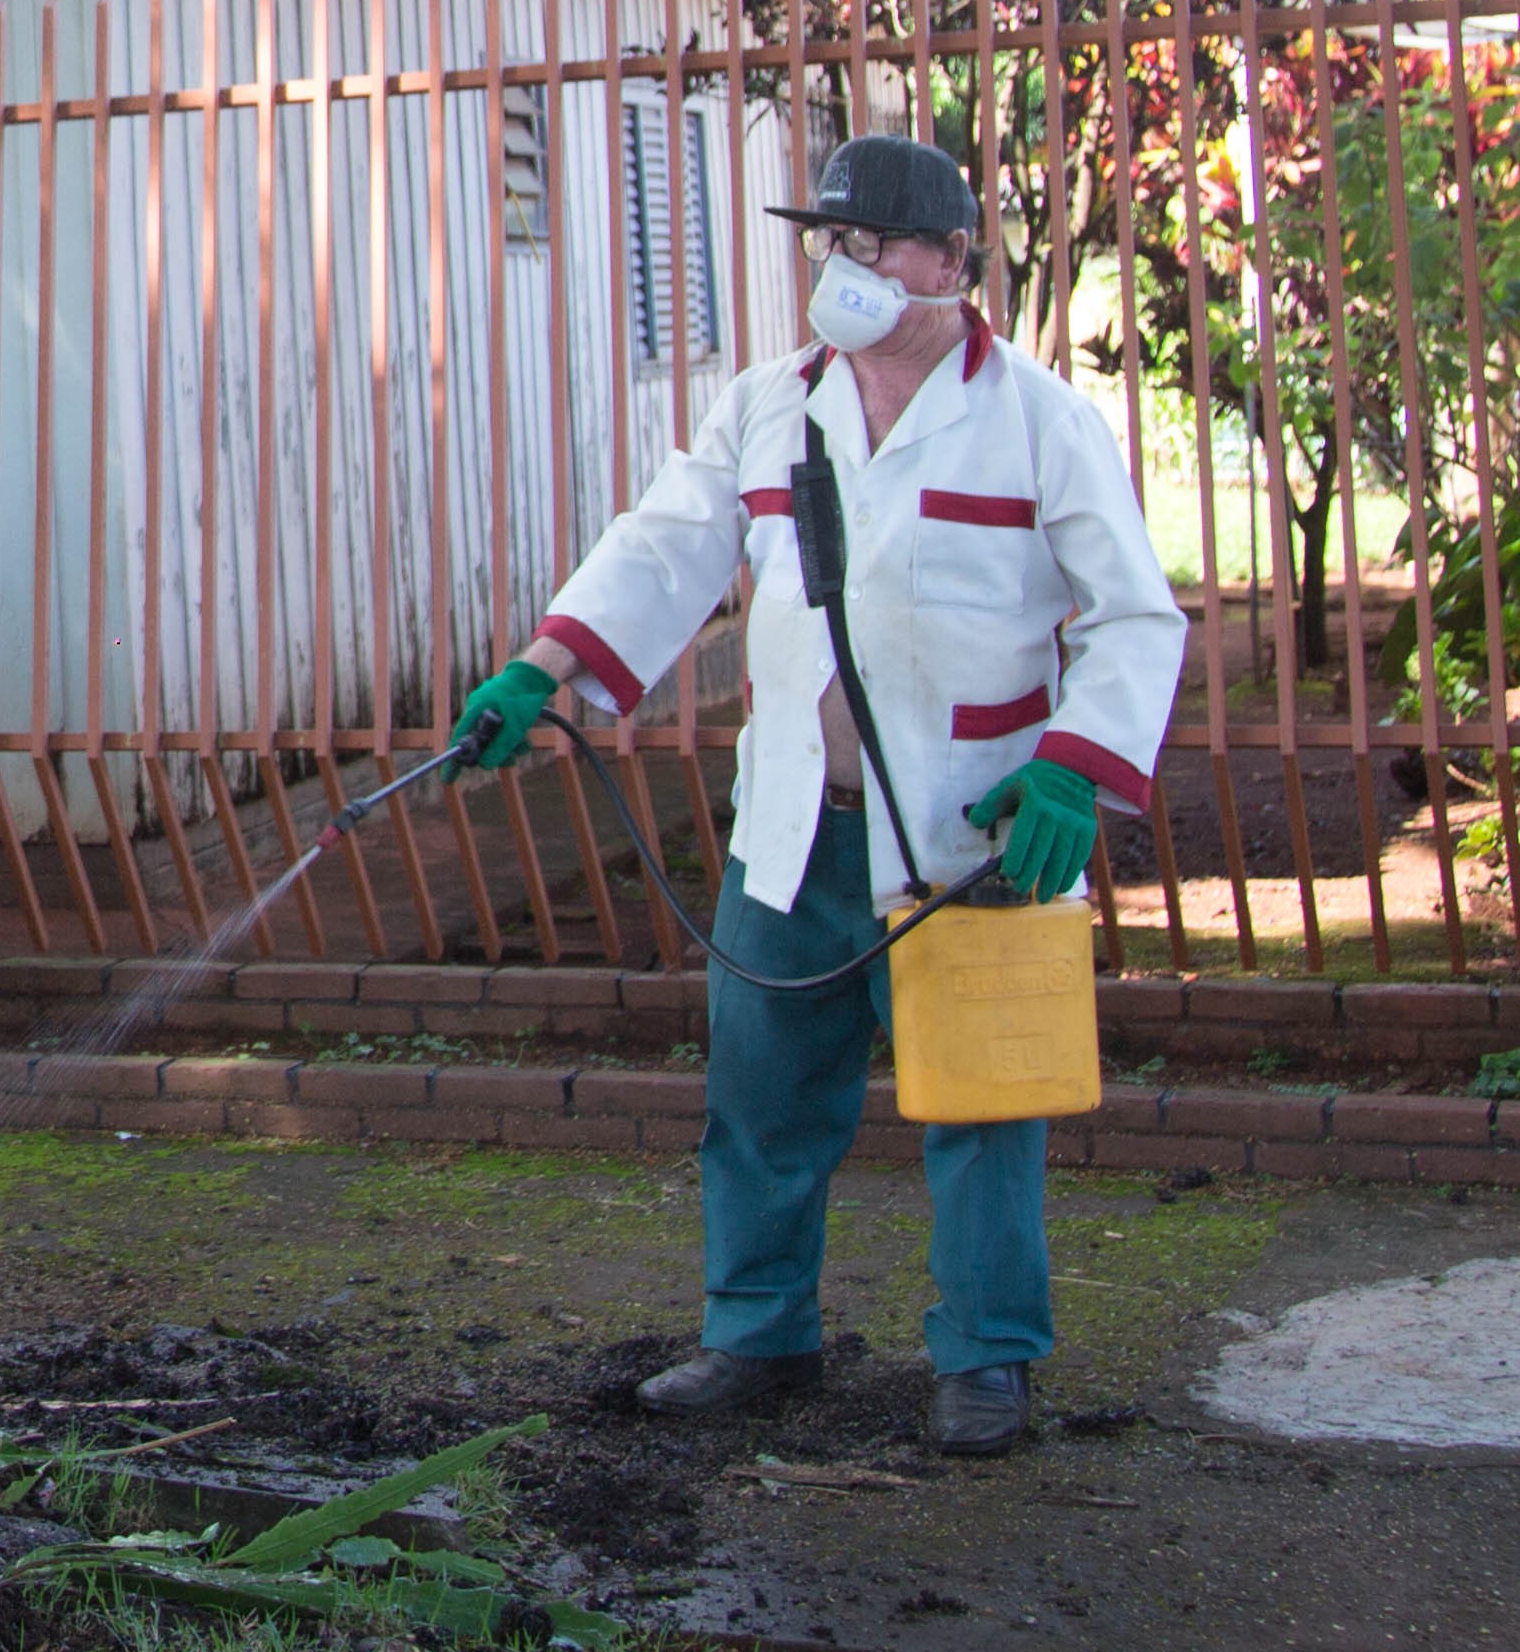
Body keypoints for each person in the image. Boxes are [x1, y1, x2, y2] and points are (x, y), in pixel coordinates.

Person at [452, 135, 1183, 1457]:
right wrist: (539, 667)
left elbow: (1133, 617)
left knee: (976, 1108)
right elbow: (662, 550)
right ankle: (756, 1335)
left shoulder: (1034, 417)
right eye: (829, 242)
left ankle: (984, 1359)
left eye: (871, 243)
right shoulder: (768, 404)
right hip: (794, 829)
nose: (841, 267)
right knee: (763, 1099)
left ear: (951, 261)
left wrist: (1076, 767)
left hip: (970, 837)